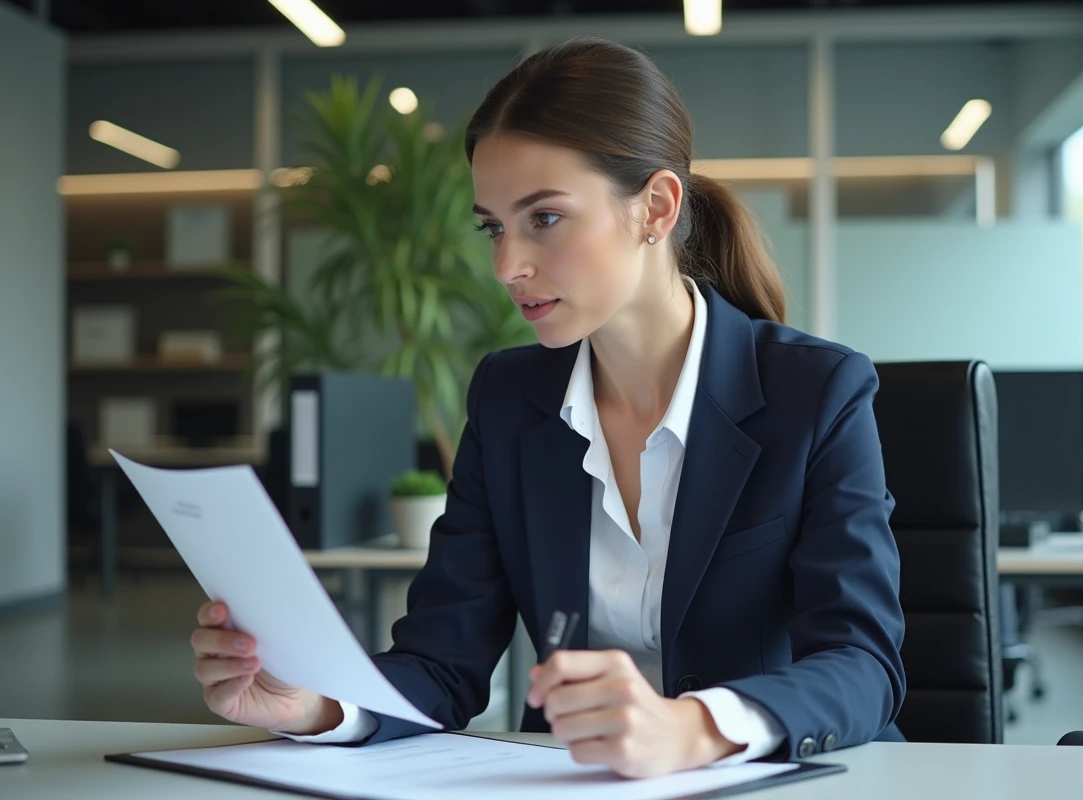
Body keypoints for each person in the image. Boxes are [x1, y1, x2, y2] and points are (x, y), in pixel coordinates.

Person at [190, 37, 906, 779]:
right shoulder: (510, 401)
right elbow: (442, 663)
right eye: (494, 226)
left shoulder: (814, 392)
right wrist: (313, 705)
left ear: (656, 208)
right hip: (574, 784)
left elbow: (862, 665)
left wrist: (694, 728)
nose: (507, 266)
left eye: (546, 219)